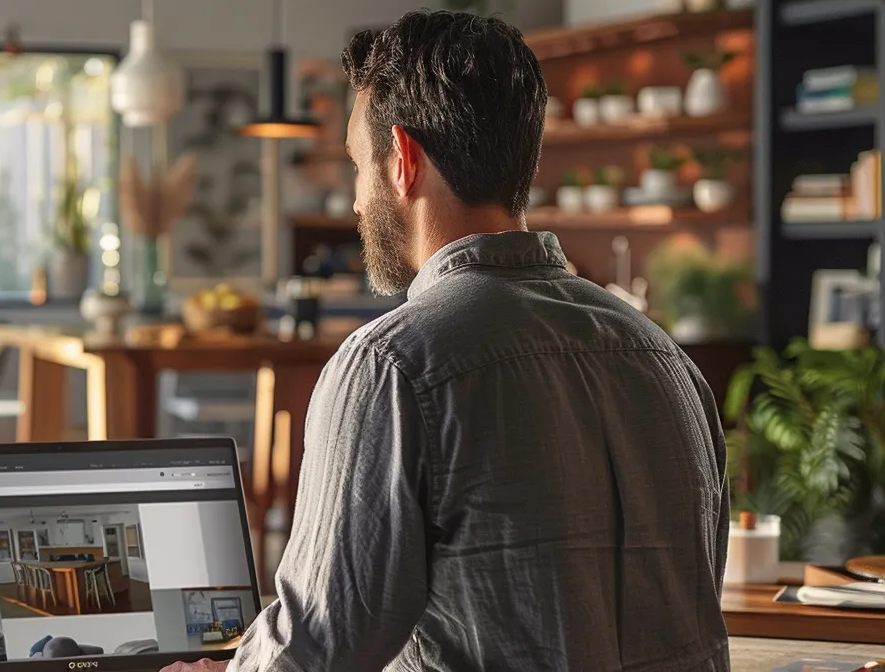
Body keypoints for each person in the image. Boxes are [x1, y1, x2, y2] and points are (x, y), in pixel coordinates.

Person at [163, 10, 729, 672]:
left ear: (402, 160)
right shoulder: (662, 357)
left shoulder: (392, 365)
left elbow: (317, 648)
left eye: (356, 165)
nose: (353, 201)